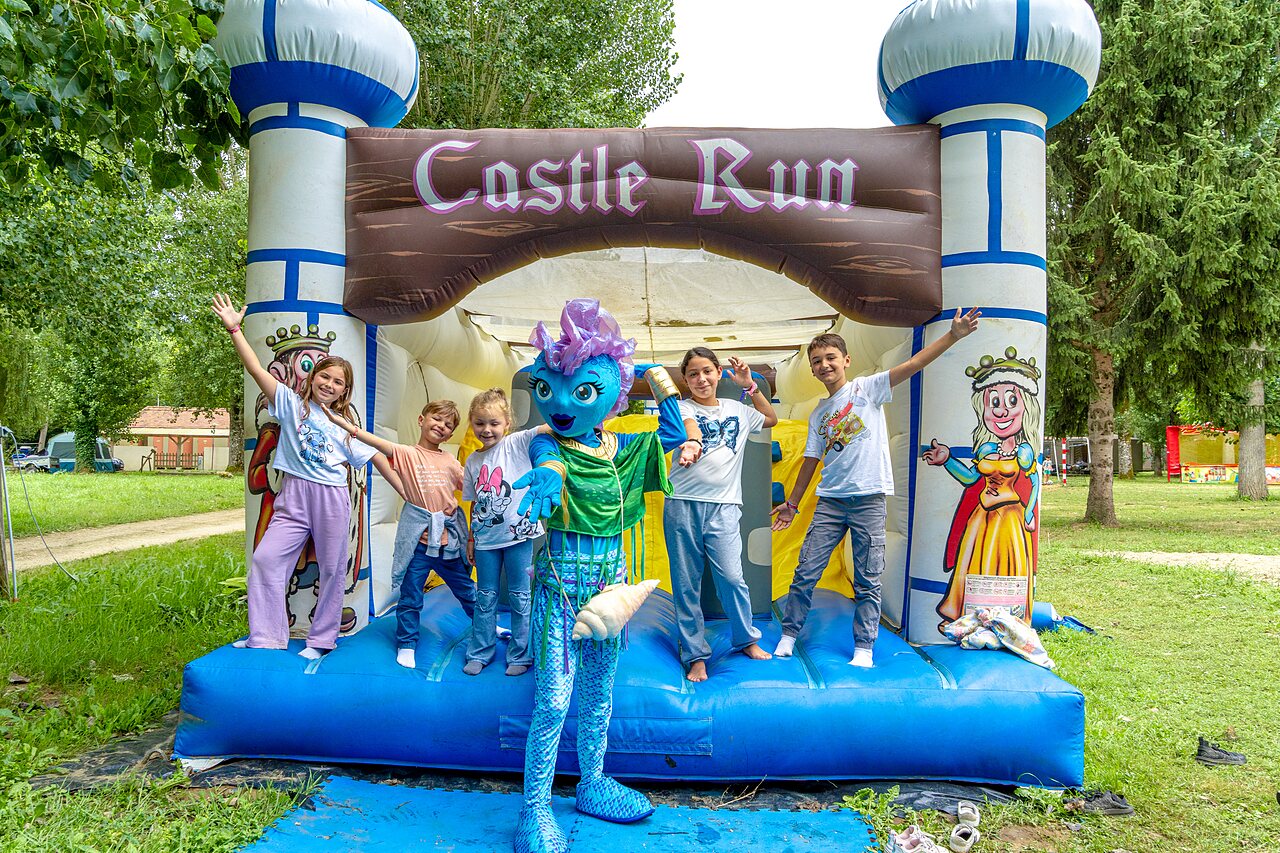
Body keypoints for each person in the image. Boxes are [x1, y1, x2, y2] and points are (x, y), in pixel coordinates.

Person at [510, 298, 687, 853]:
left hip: (611, 591)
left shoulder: (623, 447)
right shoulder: (548, 442)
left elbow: (673, 433)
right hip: (560, 591)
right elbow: (548, 458)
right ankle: (535, 809)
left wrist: (660, 381)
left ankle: (592, 783)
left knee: (598, 694)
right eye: (549, 389)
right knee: (552, 701)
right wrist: (547, 476)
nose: (561, 405)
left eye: (582, 392)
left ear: (611, 395)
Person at [771, 309, 981, 667]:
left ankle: (864, 647)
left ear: (846, 361)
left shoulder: (865, 389)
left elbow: (913, 364)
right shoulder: (819, 414)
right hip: (830, 502)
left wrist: (953, 335)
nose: (824, 365)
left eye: (831, 358)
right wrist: (792, 503)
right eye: (817, 361)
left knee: (868, 577)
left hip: (868, 500)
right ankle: (789, 634)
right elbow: (810, 460)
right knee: (806, 571)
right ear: (812, 370)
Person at [212, 293, 405, 659]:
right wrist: (235, 329)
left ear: (345, 390)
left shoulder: (346, 426)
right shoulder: (289, 404)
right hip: (293, 496)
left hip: (330, 497)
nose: (329, 384)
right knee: (266, 560)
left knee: (332, 569)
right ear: (313, 377)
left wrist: (406, 491)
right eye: (324, 376)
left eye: (338, 382)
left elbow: (377, 459)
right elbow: (256, 370)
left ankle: (321, 640)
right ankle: (266, 636)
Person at [323, 398, 475, 670]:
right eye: (436, 418)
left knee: (467, 591)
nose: (440, 426)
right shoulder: (406, 454)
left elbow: (472, 488)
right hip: (418, 543)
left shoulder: (450, 461)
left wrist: (455, 502)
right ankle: (407, 643)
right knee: (411, 596)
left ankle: (485, 627)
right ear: (421, 420)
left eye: (447, 425)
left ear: (450, 434)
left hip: (446, 543)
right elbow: (375, 442)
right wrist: (344, 425)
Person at [664, 347, 776, 682]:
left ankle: (745, 639)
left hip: (724, 506)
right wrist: (692, 442)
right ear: (685, 380)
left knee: (731, 577)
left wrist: (750, 385)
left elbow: (770, 419)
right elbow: (689, 427)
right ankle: (695, 655)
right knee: (686, 583)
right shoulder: (681, 408)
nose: (701, 379)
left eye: (707, 371)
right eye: (693, 374)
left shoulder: (737, 410)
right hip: (682, 503)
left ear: (717, 373)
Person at [923, 347, 1042, 627]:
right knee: (973, 563)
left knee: (1004, 564)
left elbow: (1034, 482)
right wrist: (947, 460)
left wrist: (1029, 514)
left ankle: (1005, 619)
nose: (1001, 410)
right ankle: (966, 618)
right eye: (994, 402)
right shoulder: (986, 448)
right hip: (981, 517)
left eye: (1011, 401)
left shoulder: (1024, 451)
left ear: (1025, 407)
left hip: (1010, 518)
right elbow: (970, 479)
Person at [461, 388, 543, 677]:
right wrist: (471, 538)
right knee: (485, 596)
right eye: (480, 423)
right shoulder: (472, 461)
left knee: (520, 595)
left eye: (494, 423)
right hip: (485, 540)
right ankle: (480, 652)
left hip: (518, 536)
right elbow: (474, 503)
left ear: (507, 423)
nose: (487, 429)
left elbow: (547, 427)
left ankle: (520, 654)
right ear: (472, 423)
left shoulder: (516, 443)